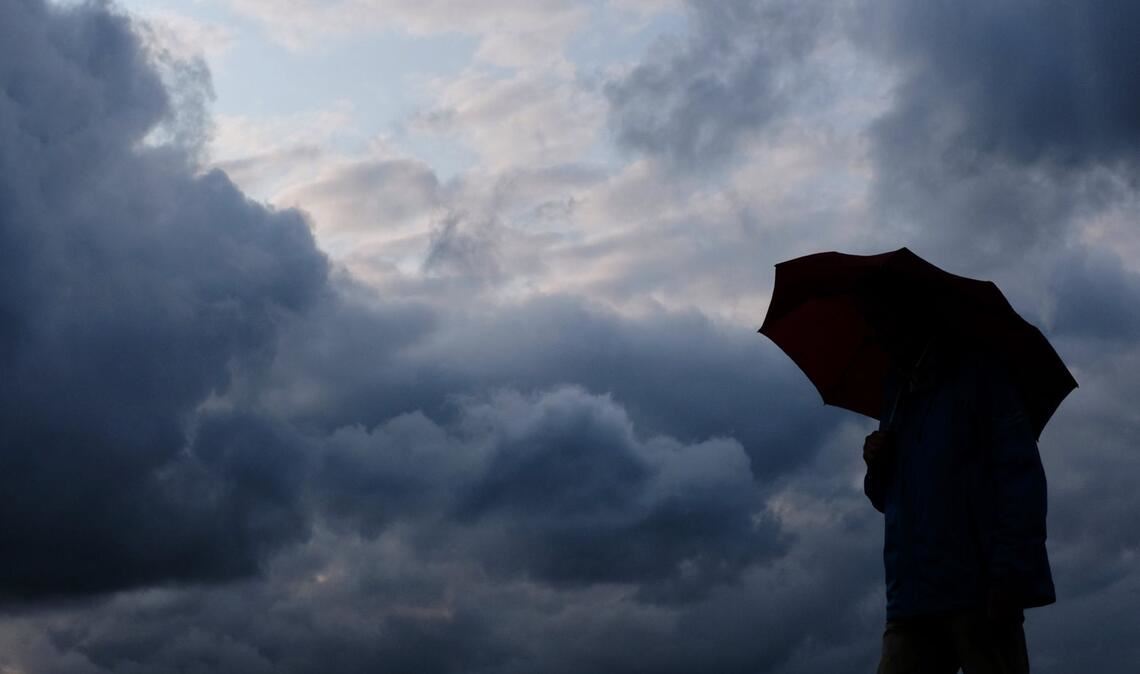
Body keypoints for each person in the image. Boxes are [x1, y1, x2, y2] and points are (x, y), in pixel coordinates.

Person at [860, 292, 1055, 674]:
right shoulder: (897, 392)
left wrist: (1008, 576)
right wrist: (877, 465)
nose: (875, 332)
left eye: (881, 318)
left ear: (910, 318)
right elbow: (888, 498)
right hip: (912, 596)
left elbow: (1020, 479)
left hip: (980, 591)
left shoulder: (980, 376)